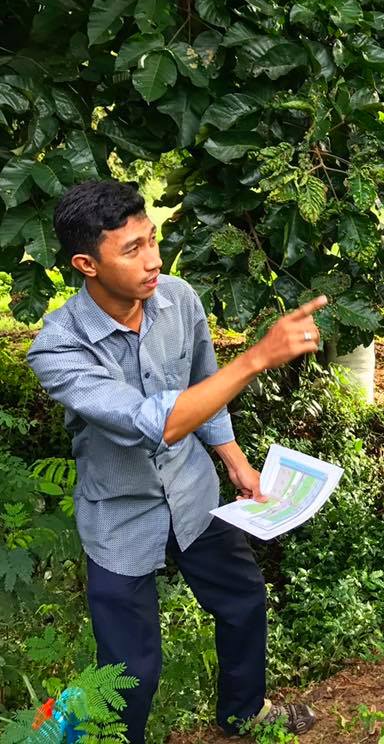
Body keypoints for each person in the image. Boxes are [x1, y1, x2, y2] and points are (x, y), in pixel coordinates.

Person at [27, 179, 324, 744]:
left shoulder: (179, 299)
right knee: (129, 672)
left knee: (242, 602)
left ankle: (244, 713)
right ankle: (88, 736)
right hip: (121, 515)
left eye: (153, 240)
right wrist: (258, 357)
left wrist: (233, 459)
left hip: (193, 495)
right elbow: (159, 422)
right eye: (132, 249)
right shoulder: (59, 348)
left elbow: (200, 384)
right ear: (87, 263)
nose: (153, 260)